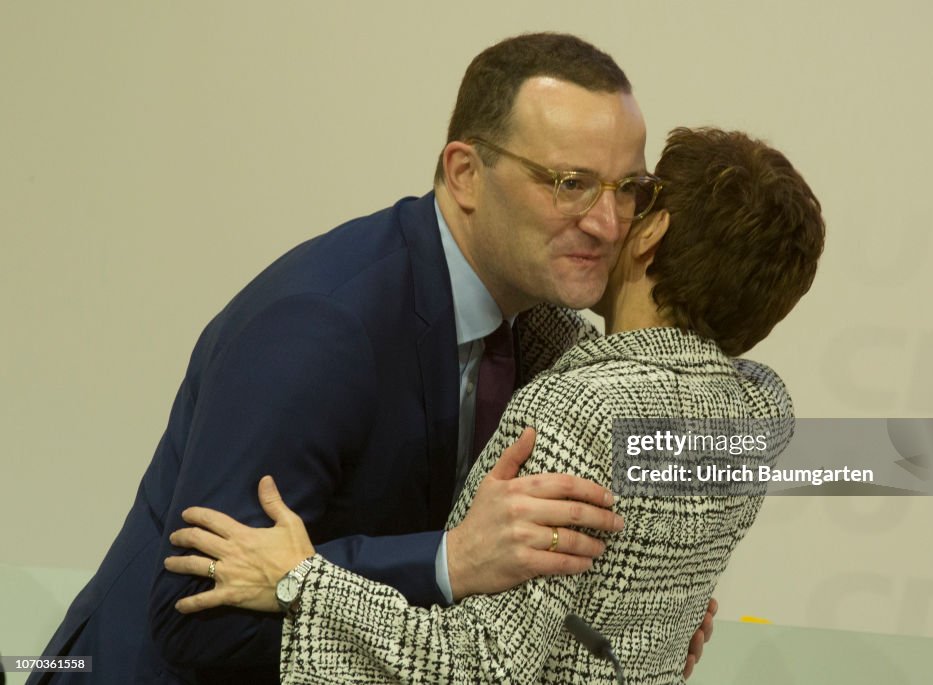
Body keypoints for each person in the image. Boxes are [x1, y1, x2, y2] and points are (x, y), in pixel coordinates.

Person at [30, 33, 713, 684]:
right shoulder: (321, 326)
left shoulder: (549, 333)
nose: (606, 222)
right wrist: (444, 562)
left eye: (628, 189)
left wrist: (637, 616)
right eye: (569, 183)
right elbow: (197, 611)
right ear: (466, 173)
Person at [165, 126, 826, 683]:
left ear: (652, 235)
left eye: (632, 194)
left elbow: (484, 661)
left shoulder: (577, 410)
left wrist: (301, 581)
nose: (604, 215)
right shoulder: (762, 405)